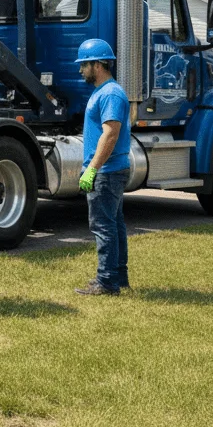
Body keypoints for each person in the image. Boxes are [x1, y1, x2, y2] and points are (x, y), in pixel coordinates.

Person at [73, 38, 131, 296]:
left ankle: (107, 282)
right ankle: (117, 277)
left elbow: (110, 134)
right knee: (114, 225)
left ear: (98, 64)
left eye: (84, 65)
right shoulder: (103, 92)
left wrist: (92, 169)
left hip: (107, 172)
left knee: (103, 227)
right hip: (109, 171)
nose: (80, 70)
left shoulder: (110, 93)